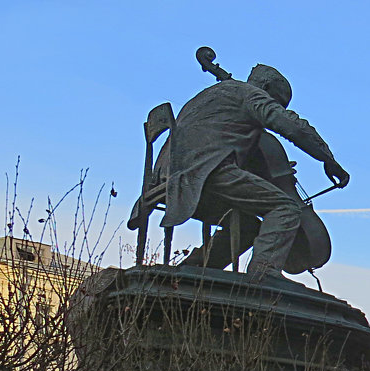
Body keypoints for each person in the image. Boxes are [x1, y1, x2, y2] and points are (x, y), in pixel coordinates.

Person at [147, 63, 350, 281]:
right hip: (204, 171)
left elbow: (215, 137)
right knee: (286, 208)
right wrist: (327, 158)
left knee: (247, 226)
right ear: (266, 85)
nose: (275, 106)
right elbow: (291, 126)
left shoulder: (211, 95)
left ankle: (194, 269)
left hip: (168, 175)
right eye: (277, 101)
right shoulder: (248, 94)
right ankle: (264, 272)